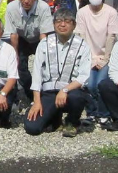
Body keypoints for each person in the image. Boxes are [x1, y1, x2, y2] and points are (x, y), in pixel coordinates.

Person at [24, 8, 91, 137]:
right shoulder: (44, 44)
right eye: (58, 21)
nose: (62, 24)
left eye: (67, 21)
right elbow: (37, 73)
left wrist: (65, 90)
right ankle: (55, 118)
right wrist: (36, 101)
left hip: (71, 92)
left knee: (77, 97)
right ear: (54, 24)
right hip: (49, 92)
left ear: (74, 25)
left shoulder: (83, 46)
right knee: (32, 128)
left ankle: (72, 122)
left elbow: (84, 76)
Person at [75, 0, 118, 124]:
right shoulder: (82, 12)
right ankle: (91, 112)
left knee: (101, 83)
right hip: (88, 56)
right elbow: (81, 36)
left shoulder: (111, 12)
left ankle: (104, 113)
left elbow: (111, 36)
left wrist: (105, 59)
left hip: (106, 56)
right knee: (90, 85)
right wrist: (89, 58)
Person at [5, 0, 55, 102]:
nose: (26, 0)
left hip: (39, 38)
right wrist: (15, 55)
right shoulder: (11, 7)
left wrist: (43, 55)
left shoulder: (43, 7)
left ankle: (45, 92)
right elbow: (13, 34)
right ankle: (29, 93)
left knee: (43, 65)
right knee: (20, 66)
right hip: (21, 38)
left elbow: (44, 34)